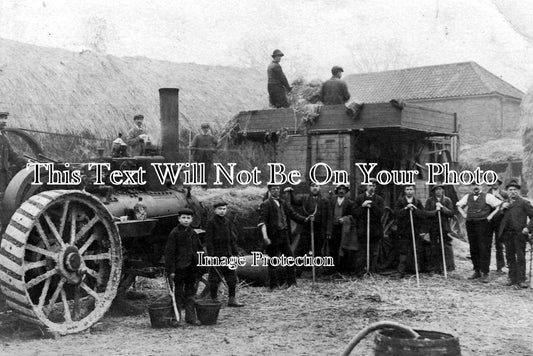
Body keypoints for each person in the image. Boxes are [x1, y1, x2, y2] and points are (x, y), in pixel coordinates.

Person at [258, 184, 310, 290]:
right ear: (269, 191)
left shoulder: (283, 203)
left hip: (284, 235)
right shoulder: (266, 204)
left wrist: (305, 219)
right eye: (273, 189)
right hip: (273, 236)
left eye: (277, 189)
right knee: (273, 260)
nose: (276, 191)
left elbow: (293, 214)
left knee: (290, 258)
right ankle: (273, 285)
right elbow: (262, 222)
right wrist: (265, 237)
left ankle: (291, 282)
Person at [456, 184, 502, 283]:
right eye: (473, 185)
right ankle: (477, 271)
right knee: (473, 247)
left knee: (484, 247)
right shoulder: (467, 196)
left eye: (477, 184)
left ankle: (485, 273)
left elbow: (499, 205)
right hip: (471, 224)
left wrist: (490, 216)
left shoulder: (488, 196)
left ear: (481, 186)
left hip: (484, 225)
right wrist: (464, 214)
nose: (475, 187)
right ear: (470, 187)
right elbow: (458, 205)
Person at [165, 208, 203, 325]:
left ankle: (190, 317)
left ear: (192, 219)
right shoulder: (174, 233)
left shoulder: (193, 233)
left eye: (188, 218)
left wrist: (201, 265)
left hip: (192, 268)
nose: (186, 220)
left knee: (190, 293)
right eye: (183, 218)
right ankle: (176, 318)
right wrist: (171, 270)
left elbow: (199, 249)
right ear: (179, 219)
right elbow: (169, 253)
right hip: (180, 268)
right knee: (178, 293)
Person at [205, 201, 244, 307]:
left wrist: (235, 252)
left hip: (228, 254)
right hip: (216, 255)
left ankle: (232, 299)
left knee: (232, 278)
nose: (222, 211)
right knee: (214, 278)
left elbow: (231, 239)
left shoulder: (227, 222)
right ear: (215, 210)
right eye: (220, 209)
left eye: (224, 209)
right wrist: (211, 256)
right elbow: (209, 241)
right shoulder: (211, 223)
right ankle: (213, 299)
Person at [498, 181, 533, 288]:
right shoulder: (504, 203)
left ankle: (521, 279)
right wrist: (502, 209)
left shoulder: (524, 202)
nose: (512, 192)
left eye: (515, 190)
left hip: (519, 234)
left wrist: (527, 228)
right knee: (510, 257)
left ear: (518, 191)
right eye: (510, 190)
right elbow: (498, 219)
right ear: (507, 192)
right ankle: (512, 278)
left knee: (520, 257)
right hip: (507, 234)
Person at [294, 182, 331, 264]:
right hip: (307, 228)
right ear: (310, 188)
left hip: (319, 229)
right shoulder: (305, 198)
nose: (315, 188)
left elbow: (329, 217)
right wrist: (290, 192)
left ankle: (316, 272)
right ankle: (298, 270)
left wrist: (328, 231)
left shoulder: (325, 201)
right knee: (302, 249)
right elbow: (294, 201)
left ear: (320, 188)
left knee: (317, 250)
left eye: (317, 186)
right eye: (313, 186)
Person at [353, 179, 385, 274]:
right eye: (370, 185)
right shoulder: (359, 198)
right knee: (362, 252)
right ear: (366, 186)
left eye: (374, 186)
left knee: (374, 252)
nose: (372, 187)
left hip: (375, 230)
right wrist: (363, 206)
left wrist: (372, 204)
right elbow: (355, 213)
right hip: (363, 230)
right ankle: (360, 272)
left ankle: (372, 271)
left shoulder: (379, 199)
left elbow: (380, 213)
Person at [393, 185, 425, 277]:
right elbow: (396, 213)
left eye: (411, 189)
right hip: (404, 231)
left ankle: (416, 270)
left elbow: (422, 214)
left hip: (414, 230)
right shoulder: (400, 201)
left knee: (415, 250)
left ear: (414, 191)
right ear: (404, 191)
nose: (409, 191)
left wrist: (414, 209)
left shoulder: (417, 202)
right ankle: (401, 272)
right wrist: (406, 208)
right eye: (407, 189)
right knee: (403, 251)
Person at [425, 184, 455, 273]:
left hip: (444, 227)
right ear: (434, 191)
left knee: (445, 246)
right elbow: (426, 213)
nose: (438, 191)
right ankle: (434, 268)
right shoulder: (430, 201)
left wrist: (442, 208)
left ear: (443, 191)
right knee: (433, 247)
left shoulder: (447, 200)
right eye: (436, 190)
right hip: (433, 227)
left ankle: (446, 267)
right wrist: (435, 211)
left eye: (440, 189)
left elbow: (451, 213)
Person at [329, 183, 357, 274]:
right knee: (333, 249)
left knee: (344, 248)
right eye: (339, 189)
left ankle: (343, 269)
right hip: (333, 228)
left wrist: (345, 219)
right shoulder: (332, 201)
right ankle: (332, 269)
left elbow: (354, 216)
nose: (341, 191)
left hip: (345, 229)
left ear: (346, 191)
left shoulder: (350, 203)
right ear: (337, 191)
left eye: (343, 189)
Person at [0, 112, 28, 192]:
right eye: (1, 118)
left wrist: (27, 162)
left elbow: (12, 156)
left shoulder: (3, 137)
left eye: (5, 118)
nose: (4, 121)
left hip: (2, 176)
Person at [487, 178, 507, 273]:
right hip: (489, 221)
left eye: (496, 182)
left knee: (499, 244)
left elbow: (509, 204)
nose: (494, 184)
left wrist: (501, 198)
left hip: (500, 221)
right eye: (492, 182)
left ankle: (500, 266)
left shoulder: (504, 194)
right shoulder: (486, 193)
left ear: (499, 183)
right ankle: (486, 266)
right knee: (487, 243)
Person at [190, 123, 218, 188]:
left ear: (208, 129)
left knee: (206, 173)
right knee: (196, 172)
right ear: (201, 129)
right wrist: (191, 148)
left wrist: (213, 150)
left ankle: (204, 187)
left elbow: (216, 145)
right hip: (198, 158)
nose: (205, 130)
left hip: (208, 158)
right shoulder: (197, 137)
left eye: (206, 128)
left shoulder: (212, 137)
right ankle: (193, 186)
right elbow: (193, 145)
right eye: (204, 128)